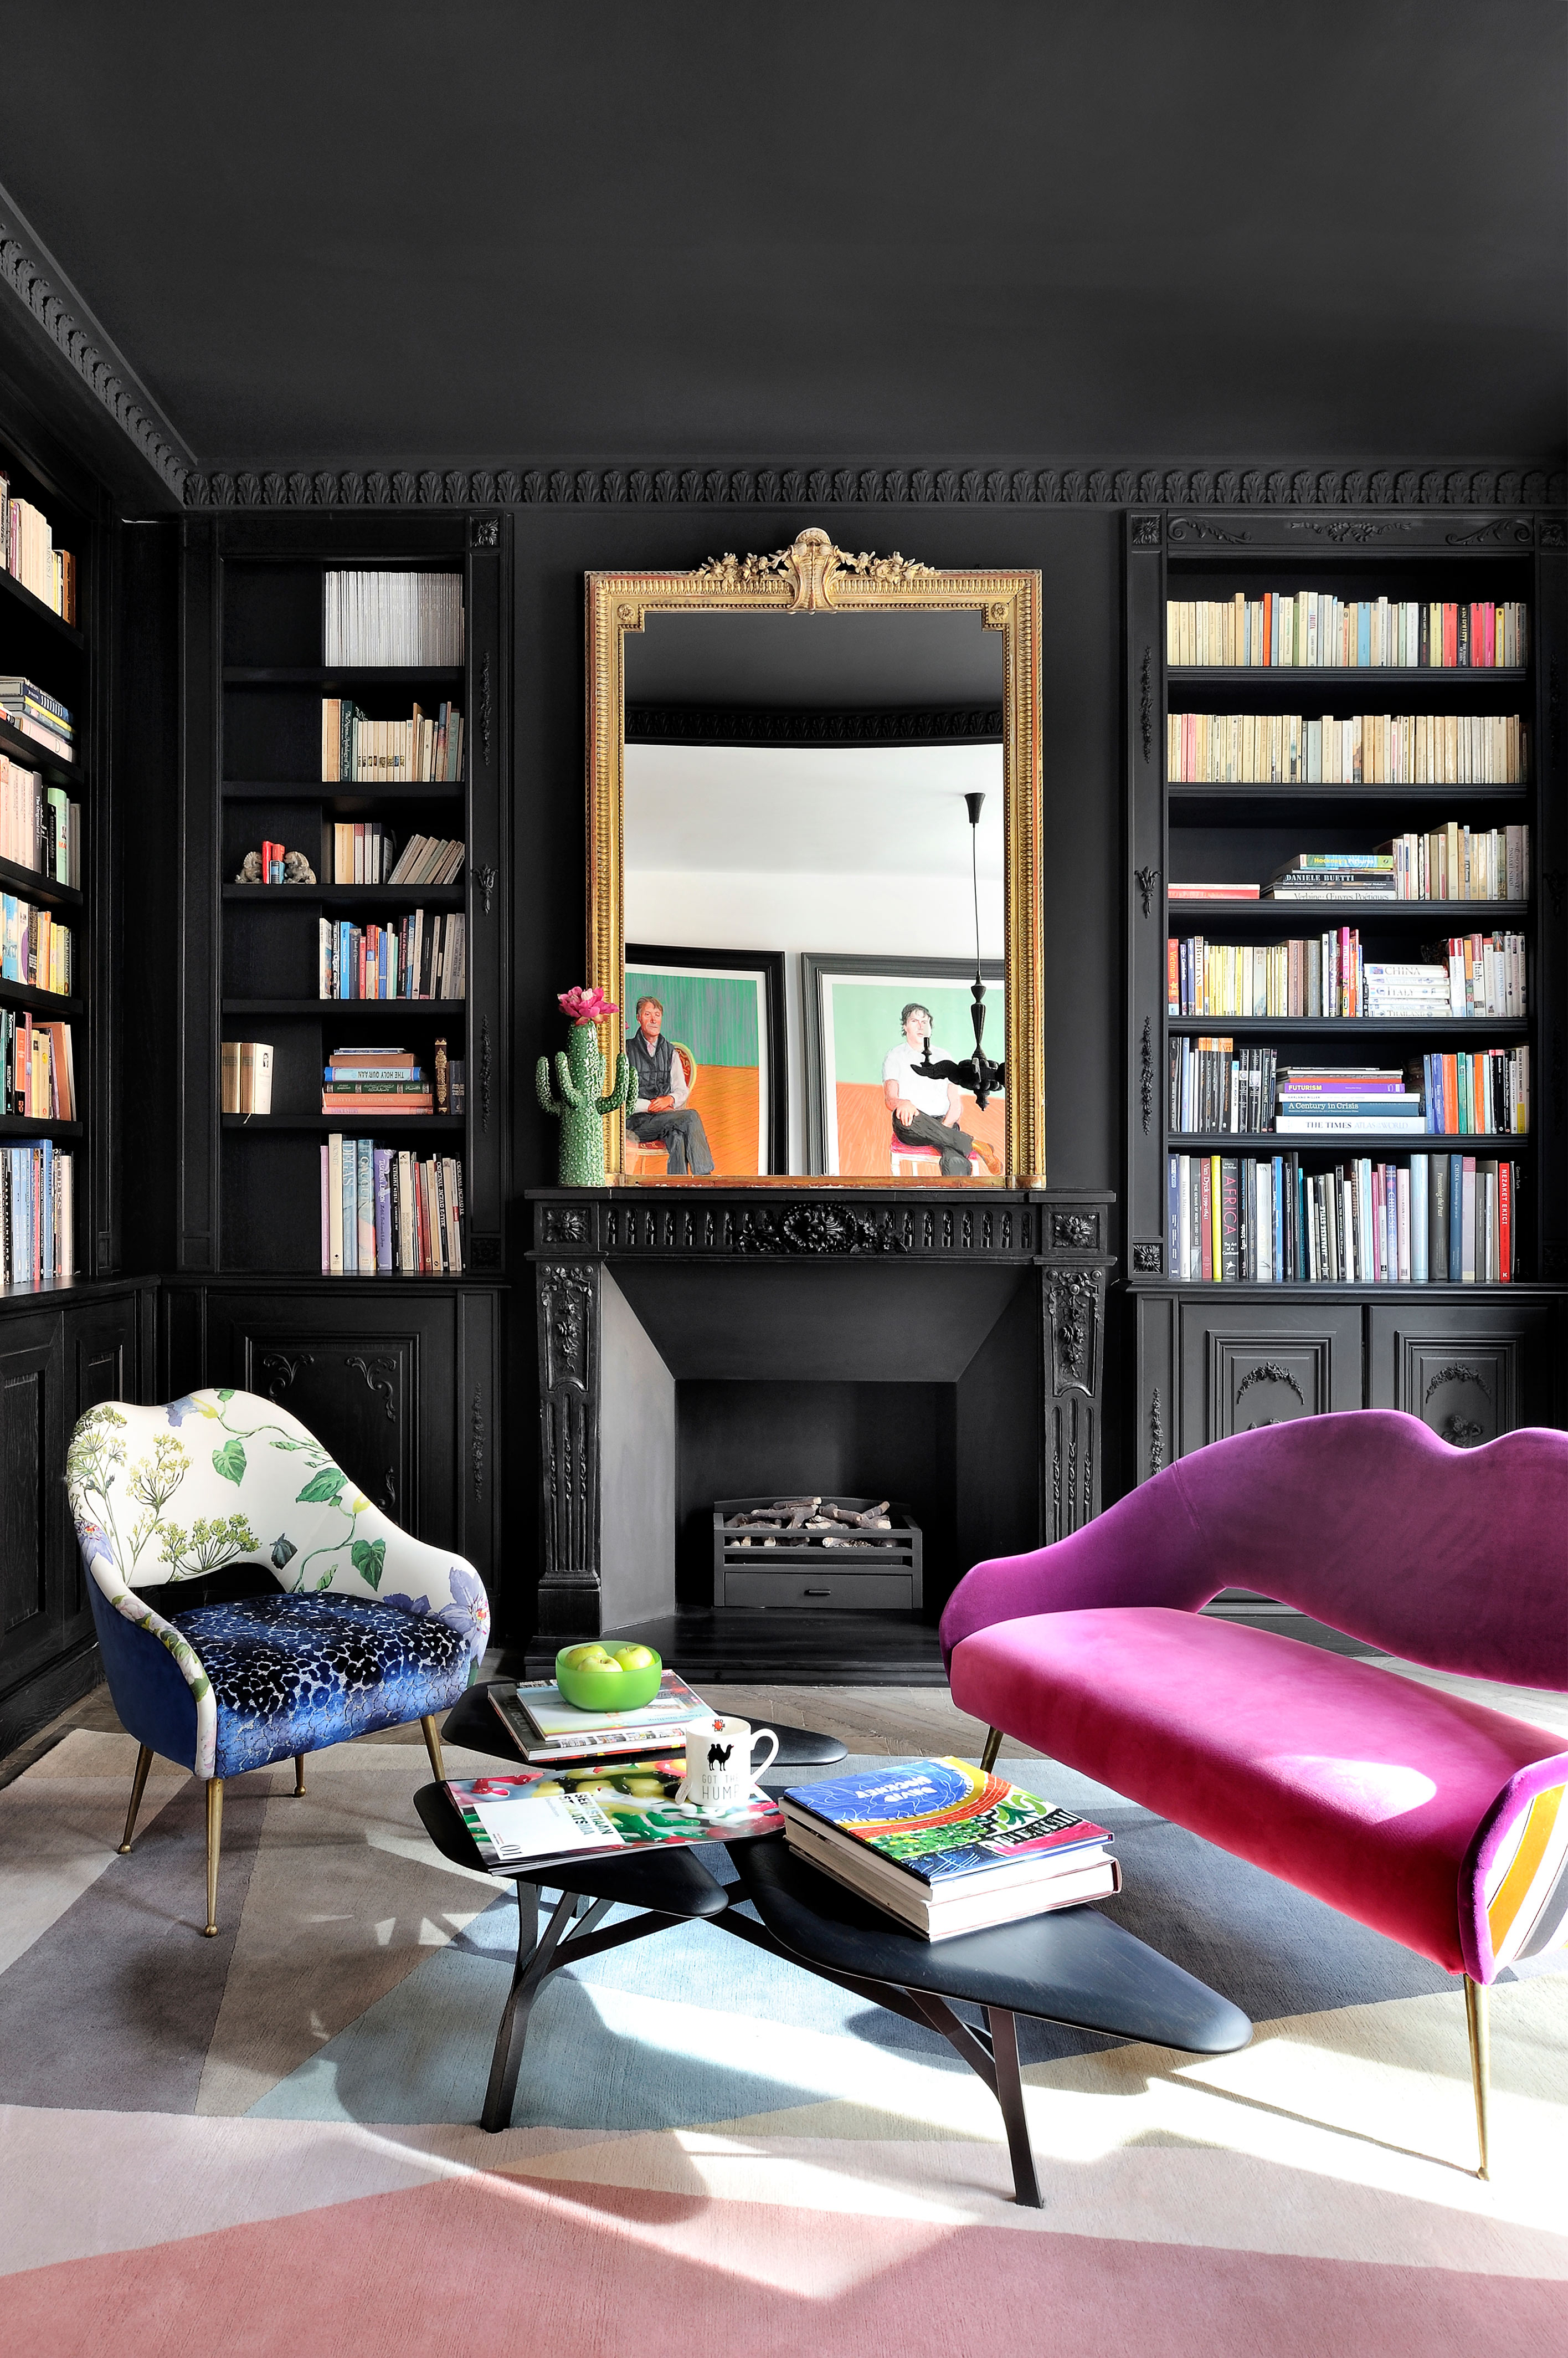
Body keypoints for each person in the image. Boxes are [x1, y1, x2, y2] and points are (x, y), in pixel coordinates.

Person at [882, 1001, 1001, 1177]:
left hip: (946, 1122)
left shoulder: (944, 1056)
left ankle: (959, 1201)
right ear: (905, 1026)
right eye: (915, 1021)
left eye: (925, 1022)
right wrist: (904, 1102)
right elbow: (890, 1099)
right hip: (913, 1123)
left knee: (955, 1159)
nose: (921, 1026)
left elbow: (955, 1104)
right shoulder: (895, 1056)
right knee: (904, 1120)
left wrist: (943, 1128)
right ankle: (974, 1144)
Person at [625, 995, 715, 1175]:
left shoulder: (669, 1051)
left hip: (665, 1120)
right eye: (648, 1014)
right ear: (638, 1018)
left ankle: (676, 1188)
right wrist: (651, 1106)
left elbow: (681, 1090)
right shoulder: (627, 1050)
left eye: (657, 1015)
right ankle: (705, 1178)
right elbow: (622, 1097)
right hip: (637, 1122)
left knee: (678, 1137)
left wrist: (669, 1099)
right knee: (690, 1117)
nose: (653, 1020)